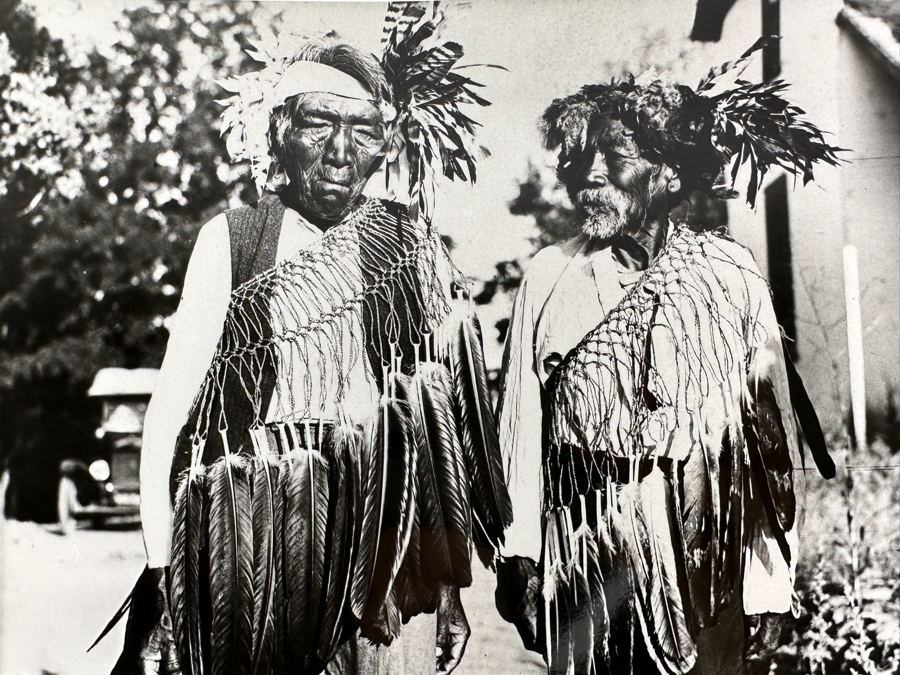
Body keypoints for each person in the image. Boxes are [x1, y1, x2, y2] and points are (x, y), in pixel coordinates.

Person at [104, 6, 511, 675]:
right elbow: (168, 417)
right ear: (280, 133)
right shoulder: (235, 241)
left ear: (383, 146)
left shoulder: (407, 246)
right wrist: (162, 573)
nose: (340, 151)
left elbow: (430, 430)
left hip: (384, 548)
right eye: (319, 123)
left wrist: (446, 589)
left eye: (361, 131)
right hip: (261, 543)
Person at [494, 41, 839, 675]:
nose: (589, 173)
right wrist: (519, 553)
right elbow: (520, 427)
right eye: (579, 158)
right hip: (588, 552)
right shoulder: (550, 276)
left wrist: (767, 576)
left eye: (614, 156)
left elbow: (764, 444)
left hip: (705, 550)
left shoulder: (728, 275)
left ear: (668, 174)